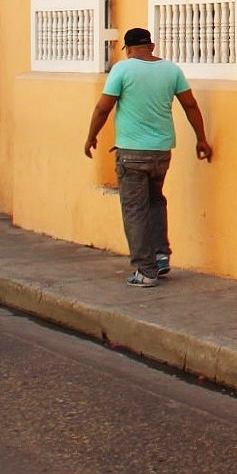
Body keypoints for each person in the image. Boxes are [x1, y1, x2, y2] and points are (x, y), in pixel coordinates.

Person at [83, 27, 213, 287]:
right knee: (155, 202)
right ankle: (160, 256)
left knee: (135, 210)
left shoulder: (123, 69)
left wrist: (91, 136)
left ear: (128, 49)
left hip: (131, 154)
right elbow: (190, 105)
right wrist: (201, 139)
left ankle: (145, 270)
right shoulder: (171, 70)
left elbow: (103, 107)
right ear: (151, 46)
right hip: (161, 152)